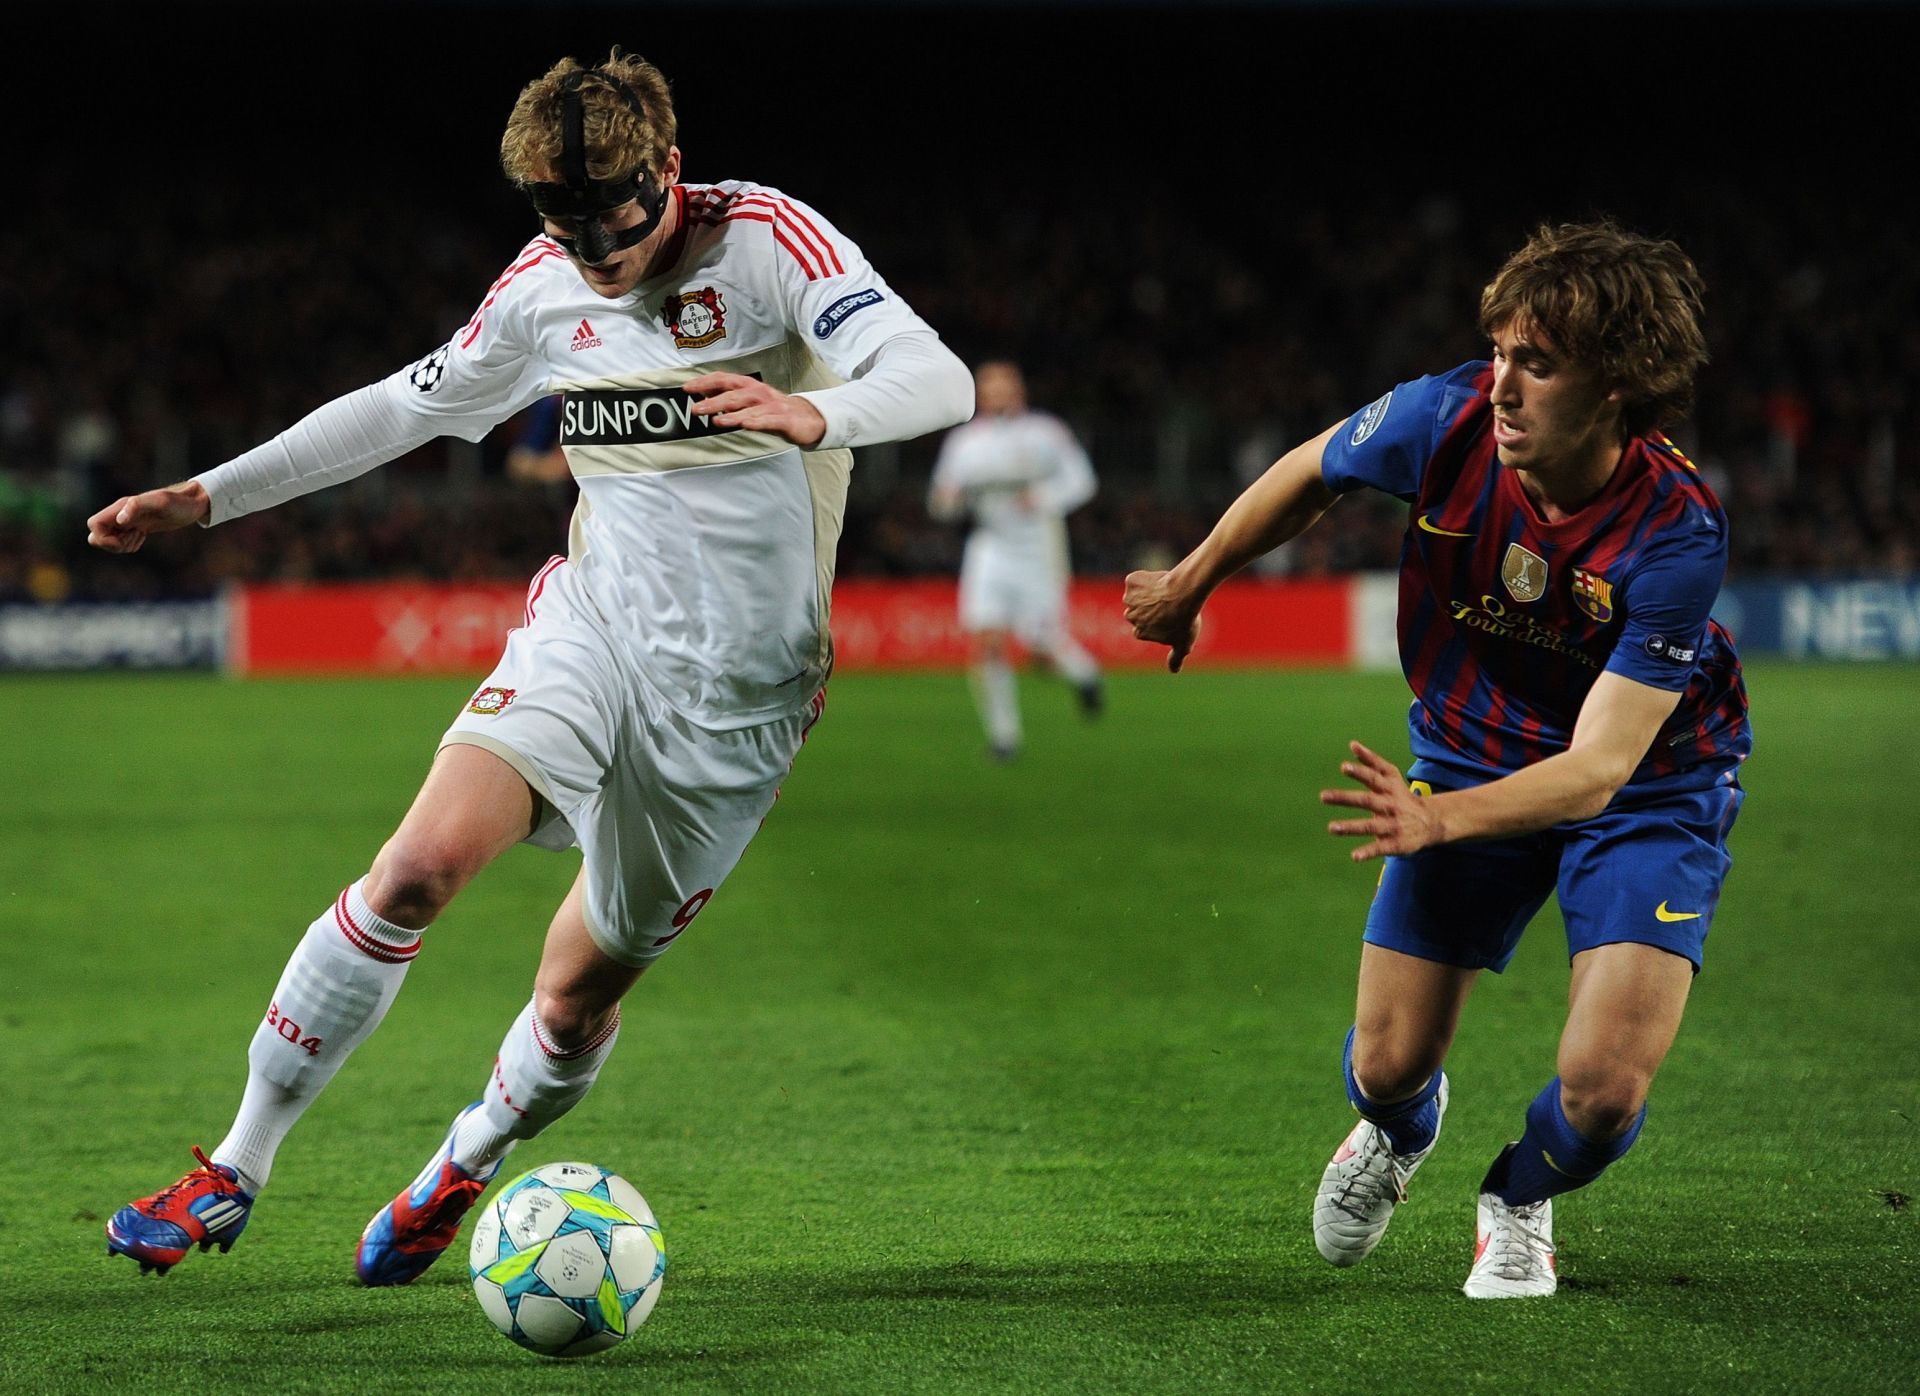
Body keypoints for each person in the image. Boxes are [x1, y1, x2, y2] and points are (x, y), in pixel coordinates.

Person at [88, 50, 972, 1284]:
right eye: (565, 222)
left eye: (619, 216)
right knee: (414, 869)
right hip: (593, 626)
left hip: (738, 698)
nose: (597, 248)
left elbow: (940, 375)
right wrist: (209, 496)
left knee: (571, 1002)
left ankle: (469, 1153)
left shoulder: (769, 242)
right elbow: (407, 406)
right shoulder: (543, 286)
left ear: (668, 166)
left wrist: (818, 410)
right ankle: (233, 1169)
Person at [1123, 222, 1748, 1298]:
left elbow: (1600, 766)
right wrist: (1194, 577)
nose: (1500, 385)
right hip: (1469, 749)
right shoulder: (1442, 417)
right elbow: (1312, 468)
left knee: (1600, 1093)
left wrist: (1440, 822)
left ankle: (1517, 1195)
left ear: (1617, 388)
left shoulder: (1676, 532)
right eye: (1500, 351)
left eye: (1537, 365)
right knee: (1384, 1064)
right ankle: (1399, 1132)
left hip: (1651, 786)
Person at [928, 361, 1104, 761]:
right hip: (989, 546)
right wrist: (950, 501)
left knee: (1040, 647)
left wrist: (1043, 498)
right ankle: (1004, 737)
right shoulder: (964, 442)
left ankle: (1085, 673)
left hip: (1038, 545)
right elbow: (940, 500)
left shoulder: (1046, 432)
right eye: (989, 387)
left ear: (1018, 389)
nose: (997, 393)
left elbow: (1082, 480)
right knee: (986, 640)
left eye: (1004, 385)